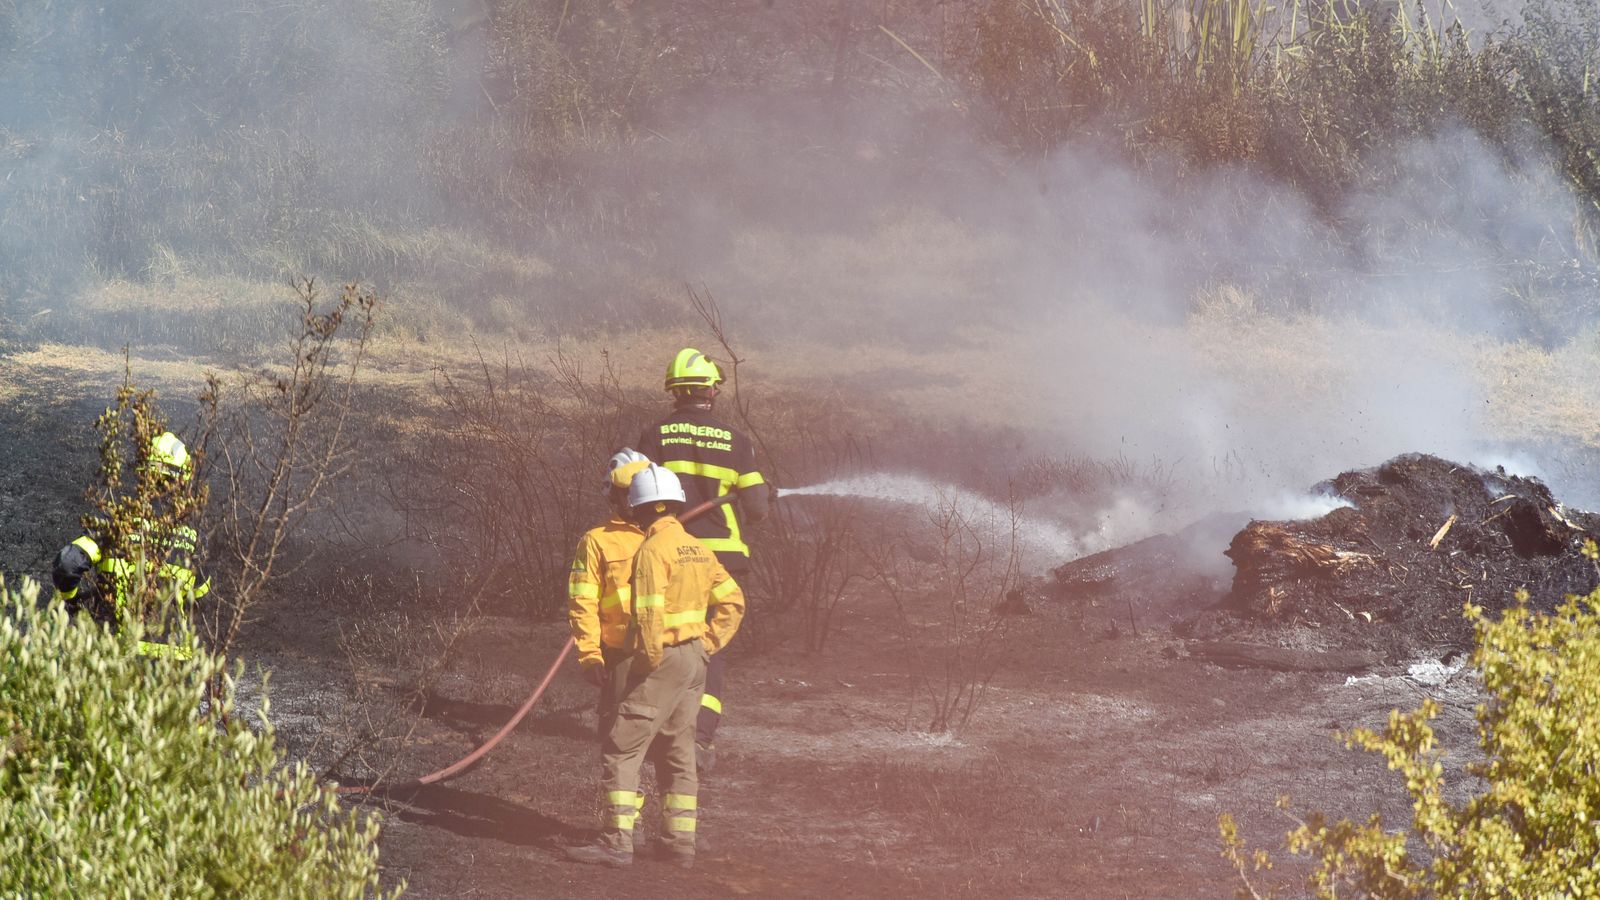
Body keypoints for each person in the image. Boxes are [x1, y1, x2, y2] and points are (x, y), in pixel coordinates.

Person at [565, 464, 745, 869]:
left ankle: (616, 843)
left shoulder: (651, 550)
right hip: (691, 661)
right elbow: (734, 601)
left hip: (650, 659)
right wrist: (707, 645)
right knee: (678, 750)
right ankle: (679, 844)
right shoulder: (696, 546)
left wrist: (647, 663)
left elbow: (648, 617)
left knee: (621, 748)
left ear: (640, 504)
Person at [636, 348, 768, 775]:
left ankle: (656, 725)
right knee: (712, 646)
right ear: (711, 388)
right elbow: (758, 508)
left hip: (671, 553)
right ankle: (699, 737)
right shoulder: (737, 440)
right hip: (723, 557)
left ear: (674, 390)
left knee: (669, 638)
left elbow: (637, 493)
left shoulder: (655, 435)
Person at [51, 431, 209, 659]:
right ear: (182, 480)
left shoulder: (114, 525)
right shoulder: (195, 538)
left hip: (118, 663)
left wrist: (73, 603)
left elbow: (66, 564)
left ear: (142, 475)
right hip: (174, 673)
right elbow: (202, 599)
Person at [567, 448, 651, 832]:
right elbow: (581, 600)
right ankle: (622, 828)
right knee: (617, 740)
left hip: (665, 657)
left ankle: (674, 833)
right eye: (627, 493)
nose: (634, 500)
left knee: (669, 745)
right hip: (618, 656)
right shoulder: (597, 541)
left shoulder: (669, 536)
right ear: (614, 497)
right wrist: (590, 654)